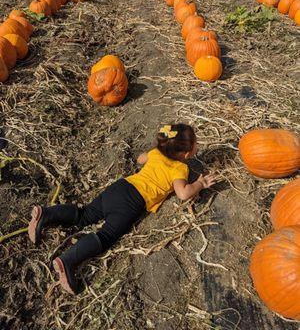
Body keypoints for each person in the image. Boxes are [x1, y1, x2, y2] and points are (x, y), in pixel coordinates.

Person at [28, 124, 216, 295]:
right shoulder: (180, 168)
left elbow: (140, 159)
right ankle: (67, 261)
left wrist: (156, 153)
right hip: (131, 202)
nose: (198, 145)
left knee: (84, 214)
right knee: (106, 236)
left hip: (120, 187)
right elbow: (183, 193)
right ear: (185, 154)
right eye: (196, 143)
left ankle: (47, 214)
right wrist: (199, 183)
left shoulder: (156, 153)